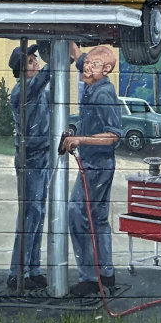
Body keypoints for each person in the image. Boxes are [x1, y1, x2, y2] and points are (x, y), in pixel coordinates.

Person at [60, 44, 122, 296]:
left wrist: (80, 139)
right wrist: (70, 41)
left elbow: (113, 135)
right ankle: (106, 273)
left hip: (97, 164)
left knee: (77, 213)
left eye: (93, 65)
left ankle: (89, 278)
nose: (86, 68)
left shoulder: (103, 94)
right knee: (98, 219)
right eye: (87, 64)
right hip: (98, 164)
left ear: (106, 69)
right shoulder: (92, 78)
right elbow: (78, 56)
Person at [7, 43, 53, 291]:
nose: (36, 63)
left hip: (43, 156)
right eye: (31, 61)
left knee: (39, 213)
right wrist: (58, 53)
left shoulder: (39, 92)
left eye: (36, 59)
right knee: (29, 215)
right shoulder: (23, 91)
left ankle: (32, 269)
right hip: (30, 159)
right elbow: (47, 74)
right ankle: (17, 273)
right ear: (21, 70)